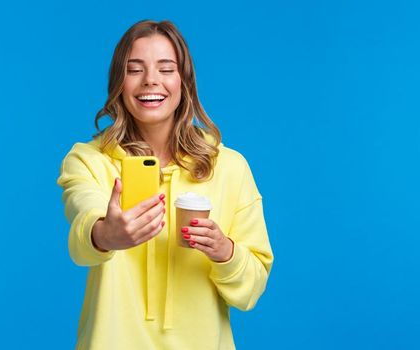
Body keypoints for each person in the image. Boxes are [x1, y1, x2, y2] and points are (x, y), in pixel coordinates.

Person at [57, 19, 273, 350]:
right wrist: (104, 235)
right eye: (135, 69)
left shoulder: (230, 167)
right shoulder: (89, 160)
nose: (151, 81)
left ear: (184, 81)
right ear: (119, 81)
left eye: (166, 68)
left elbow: (251, 289)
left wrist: (225, 252)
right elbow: (83, 223)